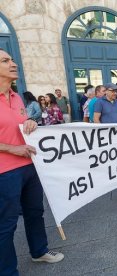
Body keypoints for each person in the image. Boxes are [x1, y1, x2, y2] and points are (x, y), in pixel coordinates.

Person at [0, 48, 64, 275]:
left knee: (35, 211)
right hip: (5, 172)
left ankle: (39, 251)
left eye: (12, 59)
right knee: (6, 225)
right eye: (5, 61)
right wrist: (12, 148)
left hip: (30, 165)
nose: (13, 63)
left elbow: (20, 121)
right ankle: (7, 270)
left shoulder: (17, 96)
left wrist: (30, 122)